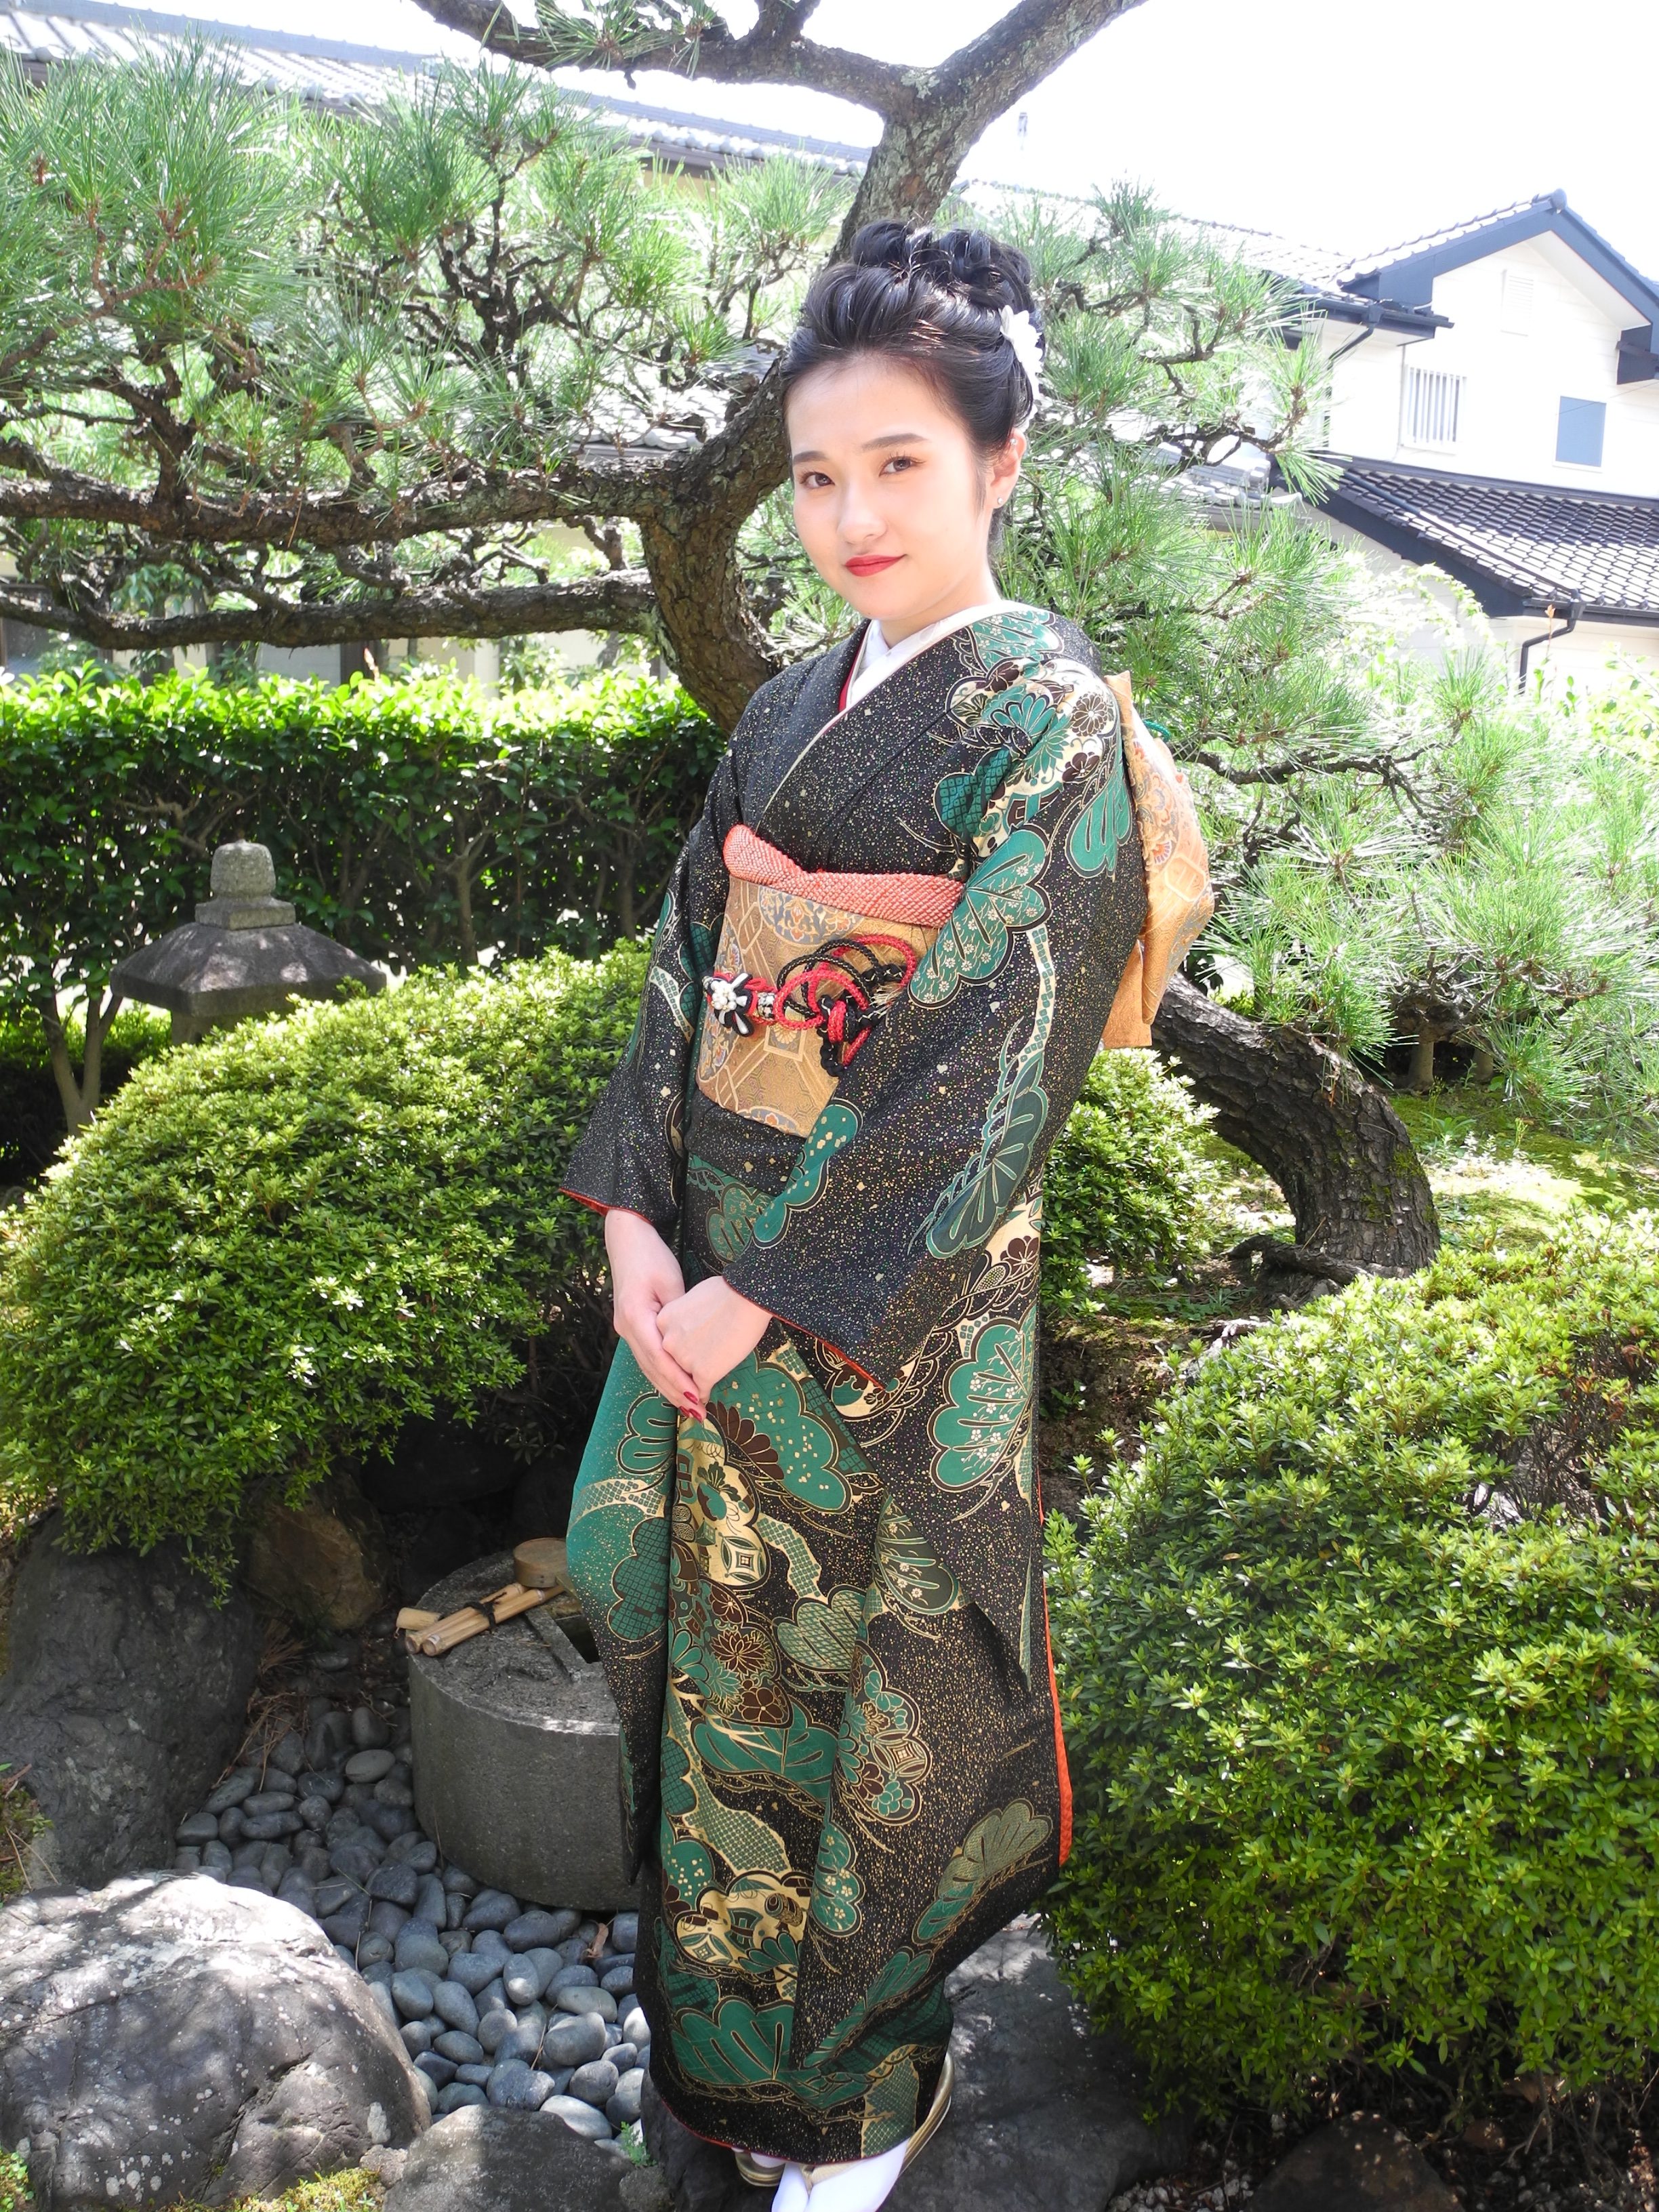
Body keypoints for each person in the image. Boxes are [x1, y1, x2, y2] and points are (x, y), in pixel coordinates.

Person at [562, 220, 1189, 2212]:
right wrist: (639, 1227)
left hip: (883, 1319)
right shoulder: (782, 711)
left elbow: (985, 1060)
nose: (849, 517)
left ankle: (860, 2120)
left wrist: (761, 1287)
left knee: (865, 1708)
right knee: (717, 1681)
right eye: (817, 475)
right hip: (709, 1290)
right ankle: (730, 2091)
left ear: (1002, 461)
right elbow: (686, 966)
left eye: (899, 465)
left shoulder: (1048, 722)